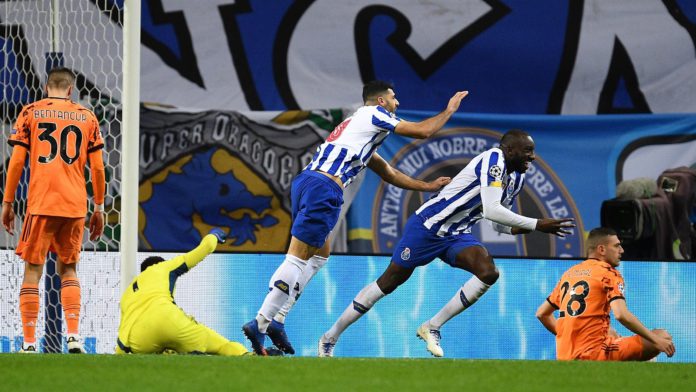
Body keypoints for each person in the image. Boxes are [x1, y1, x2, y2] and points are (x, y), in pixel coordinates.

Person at [243, 80, 469, 355]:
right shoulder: (375, 114)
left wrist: (427, 186)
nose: (398, 103)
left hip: (308, 182)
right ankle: (262, 322)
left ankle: (278, 320)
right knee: (297, 257)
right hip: (324, 188)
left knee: (318, 255)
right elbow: (423, 131)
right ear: (381, 101)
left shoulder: (357, 128)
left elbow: (388, 172)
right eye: (394, 98)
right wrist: (449, 110)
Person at [318, 129, 575, 357]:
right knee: (388, 283)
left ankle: (432, 326)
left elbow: (497, 223)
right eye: (527, 151)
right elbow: (492, 209)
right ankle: (330, 337)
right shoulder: (493, 159)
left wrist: (531, 230)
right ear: (509, 150)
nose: (532, 157)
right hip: (428, 227)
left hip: (456, 234)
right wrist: (538, 223)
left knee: (488, 272)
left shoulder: (516, 177)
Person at [2, 67, 105, 354]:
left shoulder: (31, 112)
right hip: (75, 206)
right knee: (69, 268)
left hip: (42, 203)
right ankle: (73, 337)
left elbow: (17, 162)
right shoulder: (87, 117)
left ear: (47, 87)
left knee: (33, 270)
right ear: (71, 90)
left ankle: (30, 343)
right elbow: (97, 167)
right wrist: (98, 207)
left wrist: (7, 202)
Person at [535, 227, 675, 361]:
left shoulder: (569, 274)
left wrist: (566, 337)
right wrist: (656, 341)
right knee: (662, 336)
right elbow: (621, 315)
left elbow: (542, 313)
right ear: (601, 249)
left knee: (611, 332)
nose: (622, 250)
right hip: (595, 353)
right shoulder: (608, 273)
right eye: (616, 246)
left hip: (565, 354)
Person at [116, 228, 255, 356]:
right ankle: (247, 356)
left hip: (138, 339)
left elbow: (123, 333)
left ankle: (177, 354)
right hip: (167, 319)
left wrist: (119, 354)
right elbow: (204, 248)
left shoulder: (127, 294)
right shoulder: (163, 267)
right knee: (221, 346)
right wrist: (214, 235)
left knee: (165, 351)